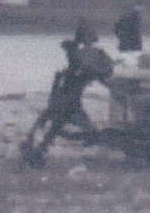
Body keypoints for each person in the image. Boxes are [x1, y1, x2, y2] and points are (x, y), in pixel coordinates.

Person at [20, 19, 114, 165]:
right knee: (58, 123)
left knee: (51, 121)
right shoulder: (93, 55)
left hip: (64, 95)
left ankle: (34, 147)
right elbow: (102, 71)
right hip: (70, 97)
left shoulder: (80, 54)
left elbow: (85, 67)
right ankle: (37, 148)